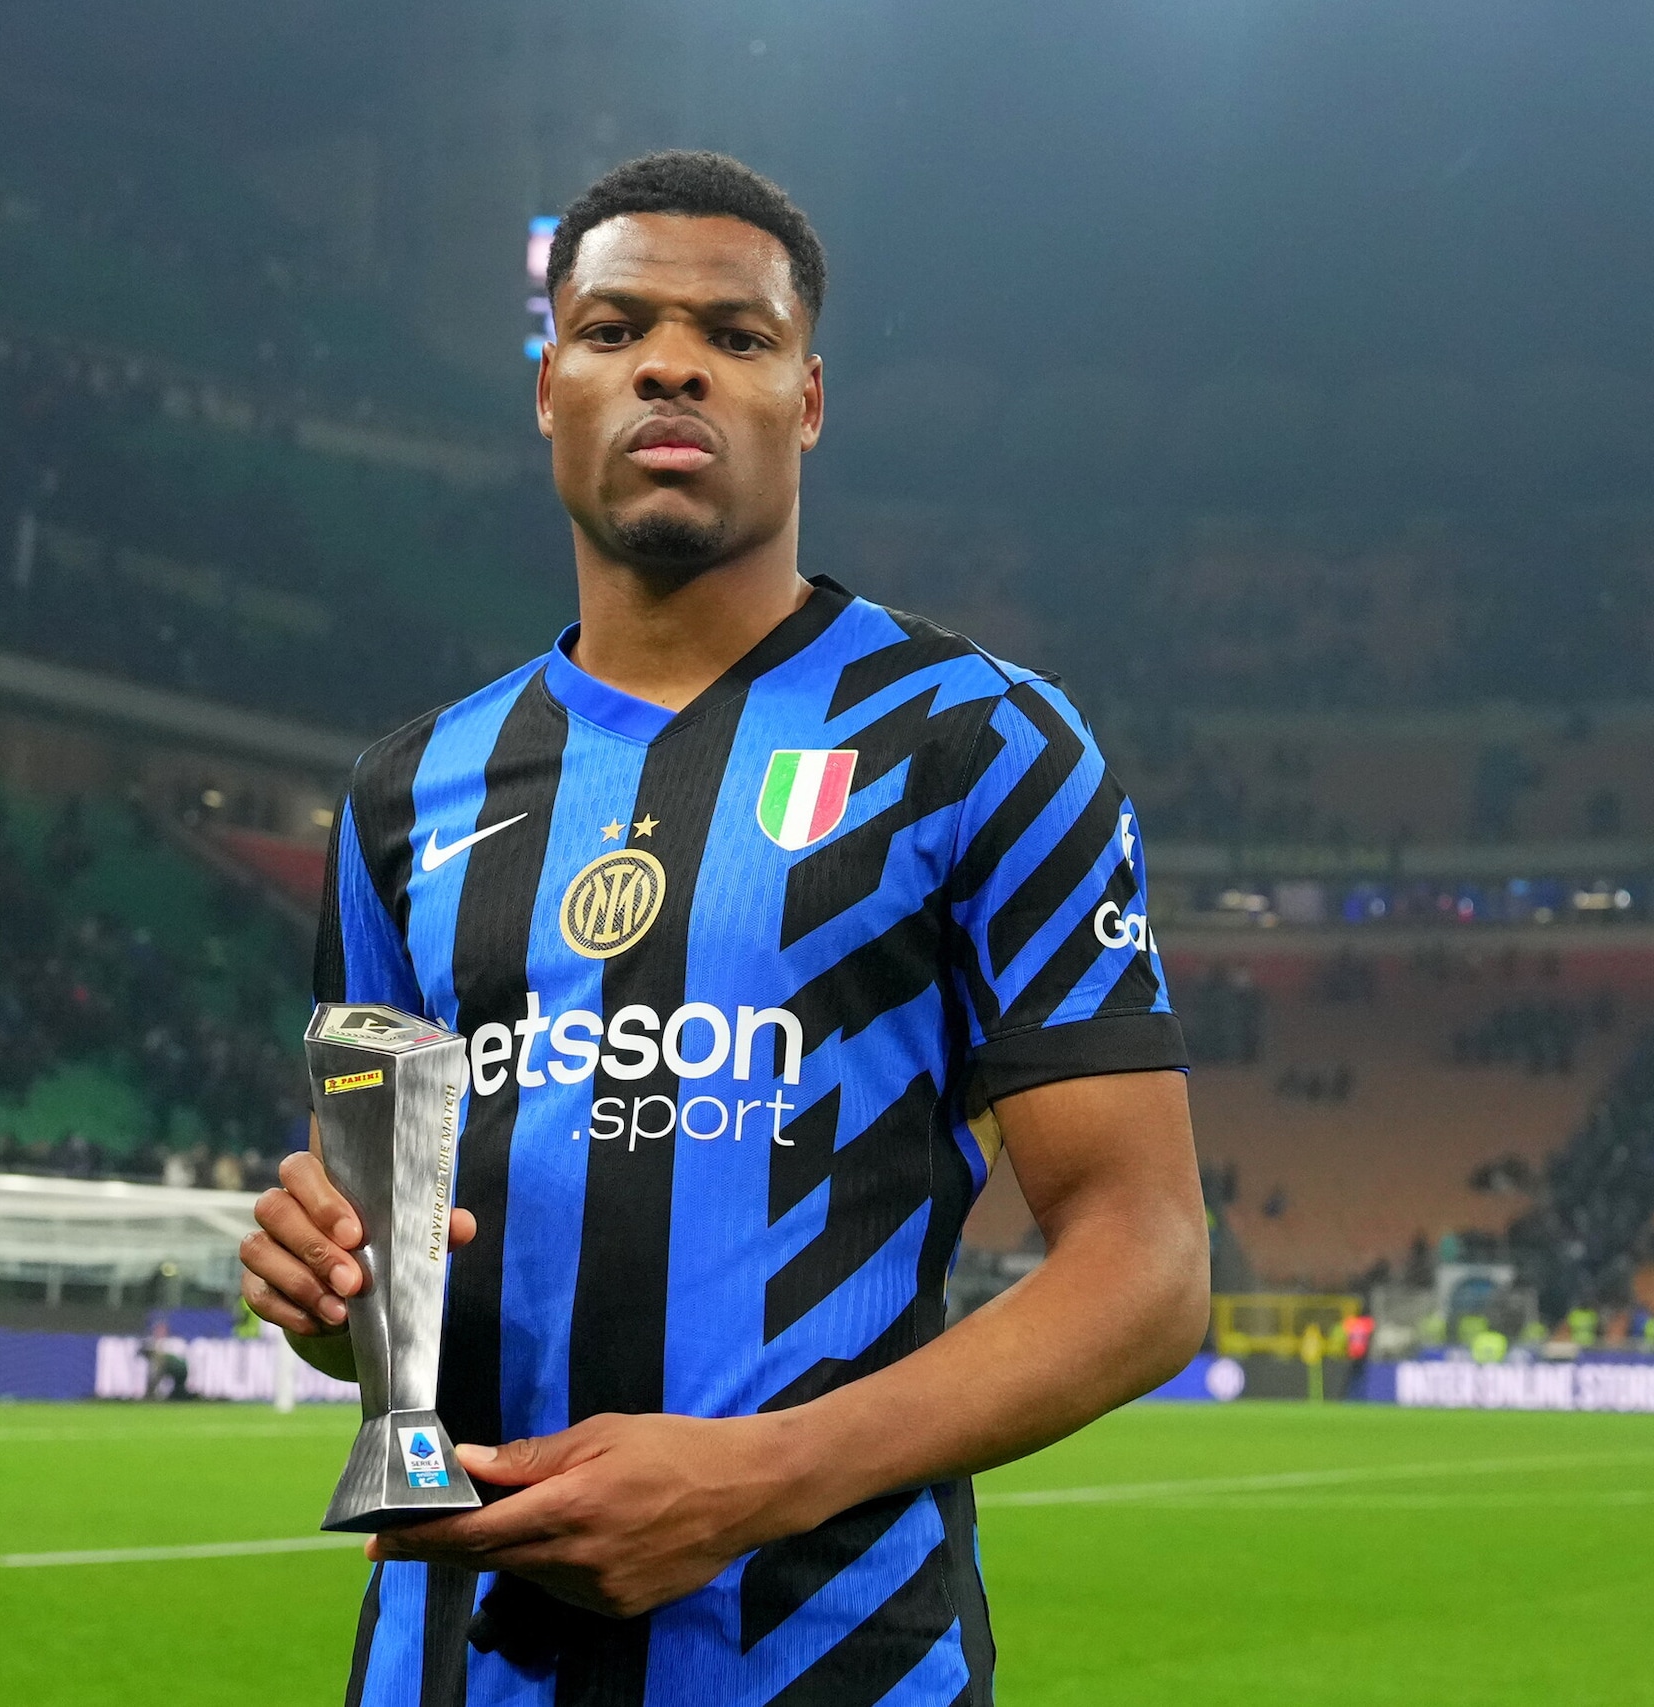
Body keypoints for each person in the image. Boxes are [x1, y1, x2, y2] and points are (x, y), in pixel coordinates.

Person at [238, 153, 1205, 1706]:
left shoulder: (977, 740)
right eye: (615, 328)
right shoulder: (406, 793)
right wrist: (323, 1292)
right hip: (445, 1668)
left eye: (735, 336)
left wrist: (755, 1479)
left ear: (807, 400)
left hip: (836, 1664)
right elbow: (388, 1300)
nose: (671, 364)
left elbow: (1149, 1262)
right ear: (547, 386)